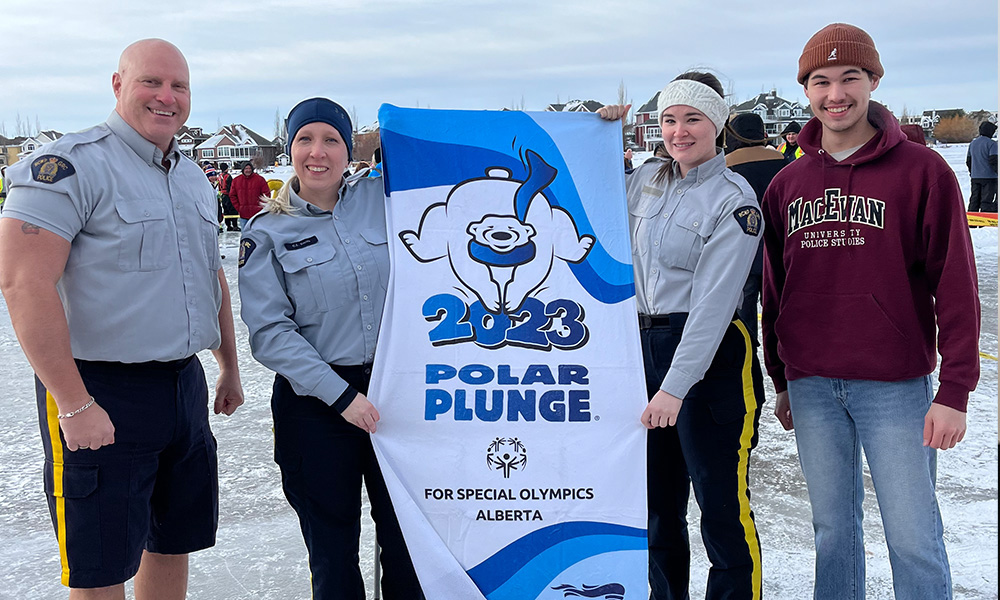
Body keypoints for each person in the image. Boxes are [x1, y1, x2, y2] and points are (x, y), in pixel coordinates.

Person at [0, 38, 244, 599]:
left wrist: (227, 365)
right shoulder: (66, 168)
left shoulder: (190, 178)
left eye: (179, 86)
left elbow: (211, 278)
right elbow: (23, 283)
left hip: (182, 385)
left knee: (171, 541)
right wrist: (75, 403)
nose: (166, 96)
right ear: (118, 85)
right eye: (150, 82)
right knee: (100, 563)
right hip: (100, 389)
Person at [761, 23, 980, 600]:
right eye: (821, 81)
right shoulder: (787, 184)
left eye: (849, 78)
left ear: (874, 81)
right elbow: (775, 290)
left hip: (896, 385)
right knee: (833, 532)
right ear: (806, 91)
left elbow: (954, 283)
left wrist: (954, 390)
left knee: (912, 536)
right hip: (811, 386)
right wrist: (782, 378)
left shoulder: (923, 172)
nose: (836, 94)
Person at [238, 97, 424, 600]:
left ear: (348, 149)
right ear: (289, 147)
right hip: (317, 407)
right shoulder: (266, 232)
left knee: (410, 543)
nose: (317, 153)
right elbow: (270, 332)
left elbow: (465, 175)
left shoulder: (385, 198)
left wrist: (586, 133)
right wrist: (342, 397)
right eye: (305, 139)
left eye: (331, 140)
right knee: (332, 550)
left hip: (397, 396)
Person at [600, 71, 765, 600]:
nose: (679, 131)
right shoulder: (645, 180)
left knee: (721, 507)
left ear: (716, 125)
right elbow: (581, 184)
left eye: (693, 119)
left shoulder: (734, 201)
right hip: (641, 349)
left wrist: (675, 388)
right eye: (669, 120)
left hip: (708, 359)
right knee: (655, 506)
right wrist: (596, 130)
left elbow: (714, 309)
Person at [723, 112, 786, 345]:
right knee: (780, 306)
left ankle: (748, 351)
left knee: (744, 309)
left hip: (742, 251)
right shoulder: (783, 163)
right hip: (779, 248)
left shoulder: (726, 167)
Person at [967, 120, 998, 212]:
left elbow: (969, 161)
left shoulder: (973, 143)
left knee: (974, 199)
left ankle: (972, 220)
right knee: (987, 200)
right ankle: (985, 222)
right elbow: (994, 161)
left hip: (975, 177)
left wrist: (972, 172)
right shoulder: (992, 144)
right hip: (989, 177)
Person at [230, 162, 270, 231]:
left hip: (257, 215)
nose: (248, 170)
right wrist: (239, 208)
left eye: (249, 168)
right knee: (245, 236)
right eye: (246, 168)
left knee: (258, 235)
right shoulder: (236, 181)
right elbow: (232, 195)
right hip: (243, 214)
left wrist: (261, 207)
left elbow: (266, 194)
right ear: (242, 170)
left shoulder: (260, 180)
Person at [217, 162, 240, 231]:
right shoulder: (228, 176)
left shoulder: (220, 176)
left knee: (226, 211)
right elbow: (231, 187)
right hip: (228, 195)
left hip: (223, 195)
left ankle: (228, 226)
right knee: (233, 211)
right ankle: (235, 226)